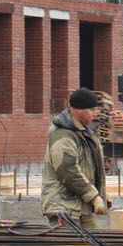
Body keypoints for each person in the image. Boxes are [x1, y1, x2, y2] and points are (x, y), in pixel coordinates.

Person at [41, 87, 110, 225]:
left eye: (96, 110)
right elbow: (68, 171)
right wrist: (94, 197)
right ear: (77, 110)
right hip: (64, 206)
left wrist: (101, 193)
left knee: (97, 244)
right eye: (91, 110)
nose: (95, 114)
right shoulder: (62, 135)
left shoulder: (85, 133)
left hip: (81, 206)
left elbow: (91, 167)